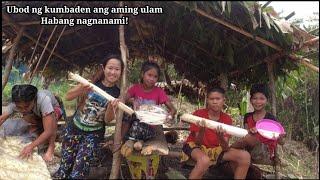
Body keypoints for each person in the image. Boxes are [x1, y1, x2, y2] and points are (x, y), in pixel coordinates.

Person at [53, 54, 124, 179]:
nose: (113, 72)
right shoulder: (91, 84)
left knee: (79, 172)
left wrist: (112, 107)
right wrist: (81, 89)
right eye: (110, 68)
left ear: (121, 72)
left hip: (94, 135)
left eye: (117, 69)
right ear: (104, 68)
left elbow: (107, 120)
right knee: (64, 168)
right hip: (73, 128)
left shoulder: (117, 94)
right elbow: (68, 96)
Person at [181, 87, 251, 179]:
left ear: (223, 100)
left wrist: (220, 136)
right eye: (211, 99)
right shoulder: (199, 114)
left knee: (244, 156)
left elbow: (225, 147)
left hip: (215, 149)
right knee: (204, 160)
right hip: (195, 147)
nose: (214, 102)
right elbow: (197, 142)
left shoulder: (227, 119)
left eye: (218, 99)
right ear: (207, 100)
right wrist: (202, 130)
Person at [120, 61, 176, 157]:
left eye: (155, 77)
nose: (152, 79)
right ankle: (123, 141)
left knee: (140, 124)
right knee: (128, 112)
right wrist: (132, 101)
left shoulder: (159, 92)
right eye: (149, 75)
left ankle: (134, 141)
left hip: (149, 127)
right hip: (133, 125)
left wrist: (169, 116)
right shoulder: (135, 88)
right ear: (142, 74)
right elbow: (122, 100)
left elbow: (173, 109)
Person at [0, 84, 62, 161]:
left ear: (34, 100)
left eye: (26, 106)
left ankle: (51, 147)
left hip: (54, 110)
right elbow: (2, 118)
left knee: (52, 122)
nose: (23, 110)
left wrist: (30, 146)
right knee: (27, 118)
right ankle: (39, 127)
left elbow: (48, 131)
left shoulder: (44, 100)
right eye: (19, 107)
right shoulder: (16, 102)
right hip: (36, 111)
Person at [231, 84, 285, 165]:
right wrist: (251, 131)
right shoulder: (247, 116)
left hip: (265, 154)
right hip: (249, 151)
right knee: (248, 138)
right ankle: (228, 152)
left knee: (251, 138)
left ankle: (227, 150)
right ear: (250, 100)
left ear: (267, 100)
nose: (258, 102)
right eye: (255, 98)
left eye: (262, 98)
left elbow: (282, 142)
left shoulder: (271, 119)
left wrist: (280, 137)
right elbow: (246, 135)